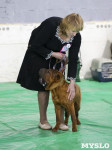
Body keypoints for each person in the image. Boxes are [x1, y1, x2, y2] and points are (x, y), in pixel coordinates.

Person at [17, 13, 83, 130]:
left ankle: (61, 122)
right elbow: (35, 45)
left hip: (57, 56)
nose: (75, 34)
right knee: (44, 86)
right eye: (73, 31)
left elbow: (73, 59)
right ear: (66, 26)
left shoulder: (76, 36)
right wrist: (53, 54)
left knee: (61, 86)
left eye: (77, 31)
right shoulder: (50, 25)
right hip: (38, 53)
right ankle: (43, 121)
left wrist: (72, 82)